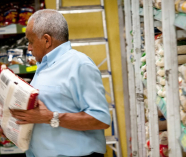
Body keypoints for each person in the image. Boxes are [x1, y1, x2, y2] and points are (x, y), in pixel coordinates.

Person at [0, 9, 111, 157]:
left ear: (47, 40)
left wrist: (50, 117)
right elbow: (41, 114)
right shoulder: (43, 67)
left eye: (31, 42)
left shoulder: (79, 64)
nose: (29, 48)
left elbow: (100, 120)